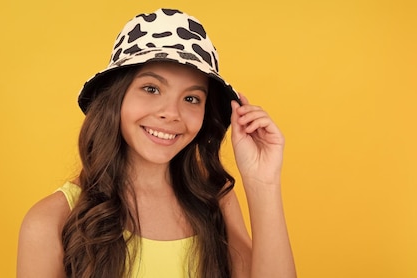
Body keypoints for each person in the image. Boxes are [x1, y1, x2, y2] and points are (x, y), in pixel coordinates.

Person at [17, 8, 296, 278]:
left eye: (191, 98)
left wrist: (263, 183)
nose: (171, 113)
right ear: (116, 97)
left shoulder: (216, 200)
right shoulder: (50, 222)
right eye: (151, 88)